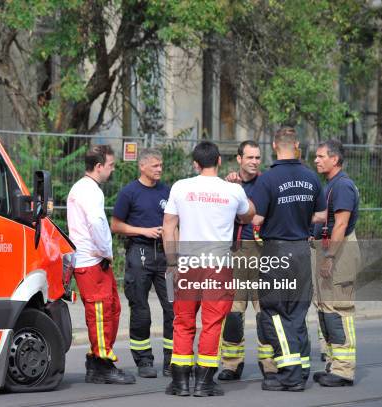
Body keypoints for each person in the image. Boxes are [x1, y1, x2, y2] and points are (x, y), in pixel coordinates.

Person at [162, 141, 255, 397]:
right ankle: (204, 382)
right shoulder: (233, 190)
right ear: (220, 162)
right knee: (212, 324)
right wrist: (238, 195)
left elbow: (168, 227)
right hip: (218, 265)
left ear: (195, 164)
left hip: (187, 264)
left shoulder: (180, 187)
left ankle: (180, 383)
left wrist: (172, 263)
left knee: (183, 322)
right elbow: (250, 214)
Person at [250, 127, 327, 392]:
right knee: (297, 312)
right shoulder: (311, 177)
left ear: (274, 145)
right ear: (295, 145)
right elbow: (321, 215)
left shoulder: (268, 180)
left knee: (273, 312)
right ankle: (302, 368)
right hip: (302, 252)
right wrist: (300, 217)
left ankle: (291, 375)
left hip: (276, 252)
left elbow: (256, 219)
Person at [67, 144, 136, 385]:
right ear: (98, 167)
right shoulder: (91, 191)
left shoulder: (83, 188)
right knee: (101, 313)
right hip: (93, 260)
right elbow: (96, 223)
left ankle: (97, 361)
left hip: (91, 259)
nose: (112, 170)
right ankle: (102, 362)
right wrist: (107, 252)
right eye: (110, 165)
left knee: (110, 310)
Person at [111, 148, 174, 378]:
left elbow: (174, 224)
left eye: (161, 165)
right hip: (140, 253)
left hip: (165, 255)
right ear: (143, 166)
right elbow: (116, 225)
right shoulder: (129, 192)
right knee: (140, 309)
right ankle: (144, 360)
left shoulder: (168, 191)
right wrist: (144, 231)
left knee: (173, 307)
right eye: (155, 165)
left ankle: (172, 360)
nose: (160, 169)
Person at [218, 141, 277, 381]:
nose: (254, 161)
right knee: (233, 313)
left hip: (263, 253)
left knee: (265, 313)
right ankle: (231, 364)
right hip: (236, 252)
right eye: (250, 157)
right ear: (239, 159)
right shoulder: (228, 185)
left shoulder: (267, 183)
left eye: (257, 157)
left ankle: (270, 364)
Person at [312, 139, 360, 387]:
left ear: (335, 159)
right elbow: (326, 217)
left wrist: (330, 257)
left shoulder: (342, 186)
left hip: (339, 253)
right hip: (330, 248)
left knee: (338, 311)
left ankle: (343, 370)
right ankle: (333, 364)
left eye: (321, 156)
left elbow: (340, 224)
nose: (316, 160)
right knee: (325, 310)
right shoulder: (331, 185)